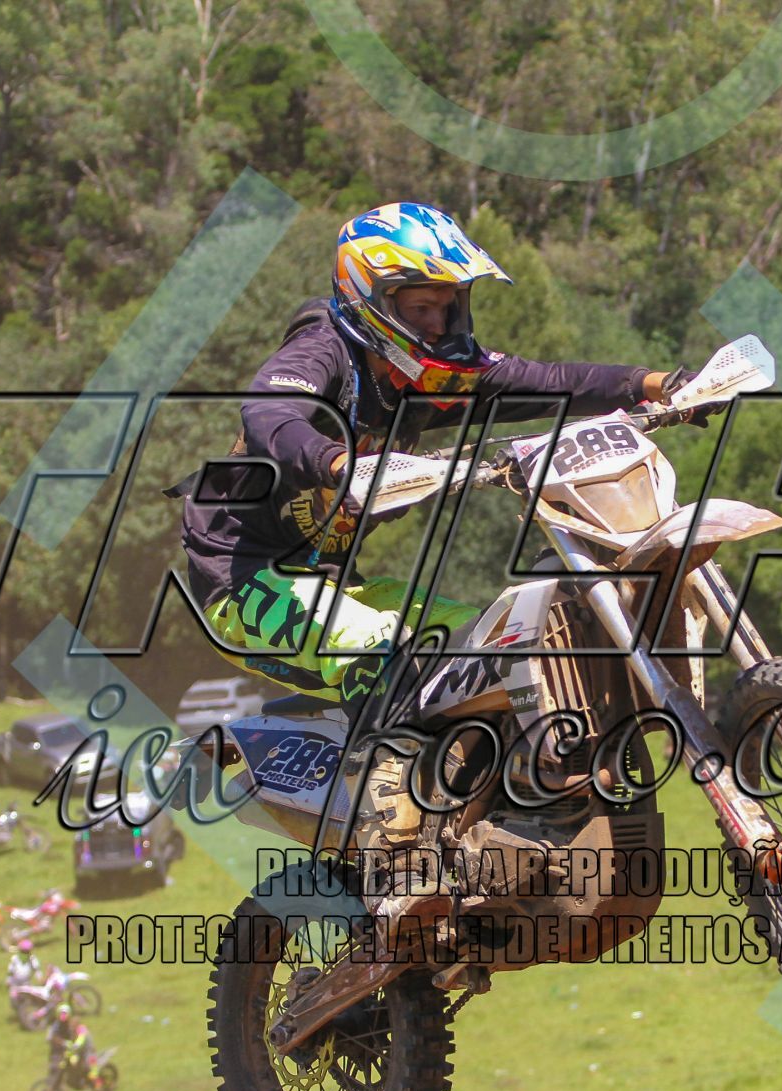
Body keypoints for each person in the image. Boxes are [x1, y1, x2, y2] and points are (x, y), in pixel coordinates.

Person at [171, 201, 696, 838]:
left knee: (491, 645)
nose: (438, 322)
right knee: (382, 647)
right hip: (243, 581)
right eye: (422, 307)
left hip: (334, 581)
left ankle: (501, 806)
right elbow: (270, 412)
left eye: (447, 306)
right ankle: (387, 815)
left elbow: (541, 378)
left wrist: (654, 384)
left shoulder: (422, 376)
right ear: (372, 298)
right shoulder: (323, 350)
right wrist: (336, 463)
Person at [46, 1003, 93, 1091]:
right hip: (66, 1050)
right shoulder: (56, 1025)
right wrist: (64, 1044)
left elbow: (79, 1040)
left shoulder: (79, 1029)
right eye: (61, 1013)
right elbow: (51, 1038)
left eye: (65, 1014)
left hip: (84, 1051)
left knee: (88, 1069)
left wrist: (73, 1046)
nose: (63, 1016)